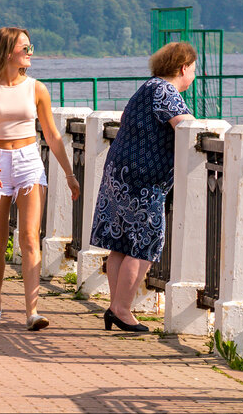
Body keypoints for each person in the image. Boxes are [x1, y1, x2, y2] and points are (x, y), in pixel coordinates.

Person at [0, 27, 80, 331]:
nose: (30, 53)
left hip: (29, 162)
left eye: (30, 48)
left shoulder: (36, 88)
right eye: (25, 48)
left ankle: (32, 310)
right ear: (7, 52)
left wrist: (69, 174)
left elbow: (53, 135)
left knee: (30, 237)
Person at [90, 42, 196, 333]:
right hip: (143, 181)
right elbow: (186, 125)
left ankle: (117, 307)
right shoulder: (166, 91)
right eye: (194, 69)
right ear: (184, 67)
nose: (194, 75)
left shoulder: (146, 88)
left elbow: (125, 120)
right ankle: (121, 309)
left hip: (120, 174)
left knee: (121, 244)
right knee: (145, 246)